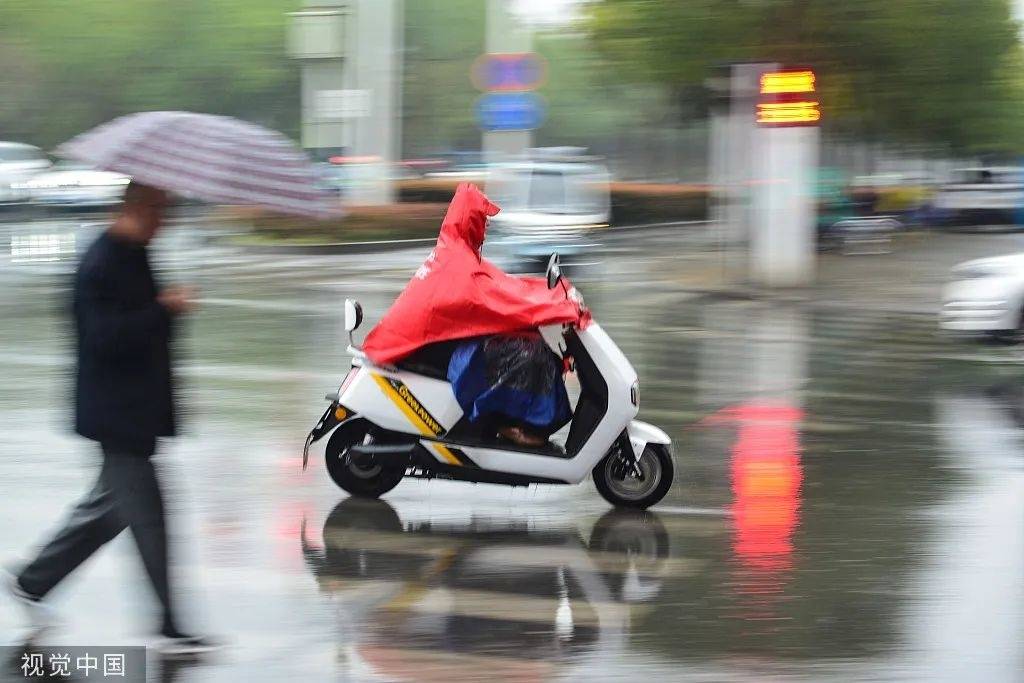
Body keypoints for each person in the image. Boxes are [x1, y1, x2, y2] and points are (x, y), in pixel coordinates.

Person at [4, 182, 217, 654]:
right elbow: (103, 338)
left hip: (135, 410)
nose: (168, 220)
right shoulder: (101, 261)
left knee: (108, 512)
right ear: (138, 208)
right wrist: (163, 309)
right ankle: (168, 623)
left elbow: (142, 328)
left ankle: (32, 581)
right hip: (115, 414)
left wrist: (167, 310)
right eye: (162, 209)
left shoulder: (134, 252)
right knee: (152, 518)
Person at [362, 183, 587, 446]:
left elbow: (503, 286)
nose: (486, 226)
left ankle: (513, 419)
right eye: (482, 219)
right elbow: (494, 303)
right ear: (470, 219)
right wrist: (552, 306)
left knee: (531, 345)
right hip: (435, 349)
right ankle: (505, 422)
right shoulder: (458, 261)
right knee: (529, 352)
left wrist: (551, 296)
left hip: (432, 343)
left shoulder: (454, 251)